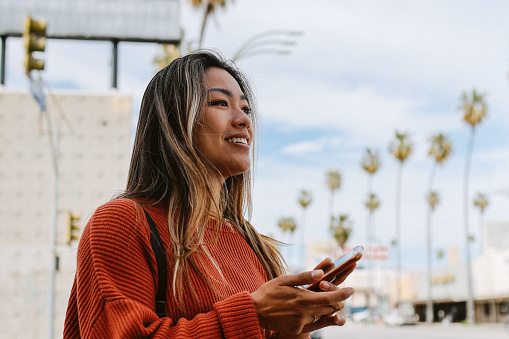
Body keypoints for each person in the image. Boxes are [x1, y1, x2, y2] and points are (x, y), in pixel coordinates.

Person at [63, 50, 356, 339]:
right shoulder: (123, 223)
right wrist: (251, 314)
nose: (243, 120)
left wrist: (297, 325)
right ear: (176, 121)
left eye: (246, 109)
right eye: (220, 103)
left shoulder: (251, 244)